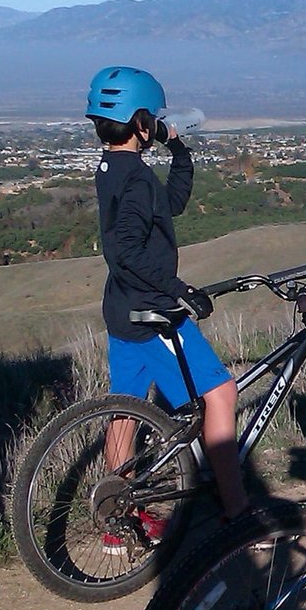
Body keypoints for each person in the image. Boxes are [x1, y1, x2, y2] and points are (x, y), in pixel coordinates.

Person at [86, 65, 248, 542]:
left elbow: (169, 204)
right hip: (154, 311)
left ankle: (117, 519)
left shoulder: (115, 169)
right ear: (140, 123)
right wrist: (179, 289)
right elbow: (125, 249)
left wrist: (178, 147)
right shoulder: (134, 178)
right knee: (221, 394)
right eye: (152, 118)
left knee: (128, 410)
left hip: (122, 309)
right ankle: (236, 513)